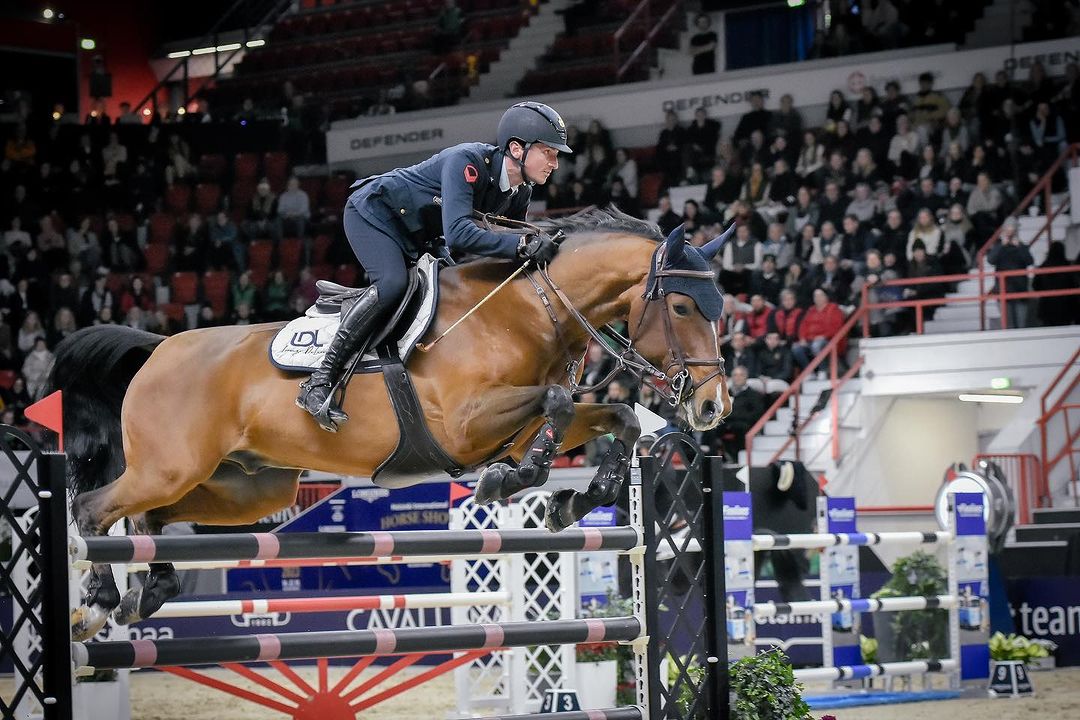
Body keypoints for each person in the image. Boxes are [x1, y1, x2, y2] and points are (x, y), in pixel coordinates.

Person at [296, 101, 568, 430]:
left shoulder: (521, 191)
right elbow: (460, 234)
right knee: (393, 284)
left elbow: (507, 248)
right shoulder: (466, 161)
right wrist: (523, 245)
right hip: (375, 215)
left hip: (423, 234)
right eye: (549, 153)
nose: (555, 163)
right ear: (516, 149)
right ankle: (319, 381)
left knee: (457, 289)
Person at [986, 220, 1034, 330]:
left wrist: (1019, 246)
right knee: (1007, 326)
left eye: (1012, 230)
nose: (1010, 233)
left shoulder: (1022, 246)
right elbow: (990, 260)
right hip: (1004, 290)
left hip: (1020, 290)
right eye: (1007, 230)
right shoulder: (999, 246)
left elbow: (1029, 261)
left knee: (1021, 325)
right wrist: (1001, 245)